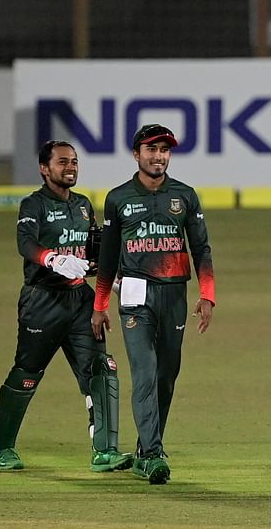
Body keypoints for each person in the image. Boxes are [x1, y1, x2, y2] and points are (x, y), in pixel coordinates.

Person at [0, 140, 133, 472]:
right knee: (27, 375)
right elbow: (25, 243)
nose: (71, 167)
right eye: (63, 162)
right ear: (44, 168)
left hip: (80, 299)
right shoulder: (33, 205)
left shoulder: (82, 205)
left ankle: (105, 450)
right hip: (42, 301)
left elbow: (95, 251)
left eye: (75, 162)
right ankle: (0, 445)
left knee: (101, 370)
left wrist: (110, 281)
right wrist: (51, 258)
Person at [91, 124, 216, 485]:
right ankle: (154, 453)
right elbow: (109, 256)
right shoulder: (118, 198)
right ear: (136, 154)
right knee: (144, 372)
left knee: (166, 376)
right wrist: (99, 305)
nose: (158, 156)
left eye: (164, 150)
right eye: (151, 149)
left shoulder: (186, 196)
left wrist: (207, 295)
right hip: (134, 296)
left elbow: (201, 249)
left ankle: (147, 449)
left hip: (175, 295)